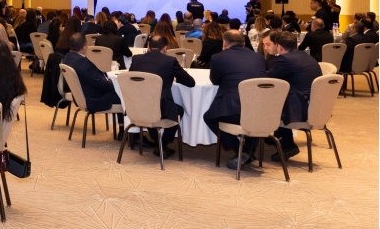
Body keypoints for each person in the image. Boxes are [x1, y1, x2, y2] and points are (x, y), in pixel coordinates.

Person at [202, 30, 267, 170]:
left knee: (209, 117)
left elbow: (215, 81)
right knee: (255, 121)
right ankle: (247, 150)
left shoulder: (218, 57)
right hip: (260, 108)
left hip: (233, 109)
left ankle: (239, 150)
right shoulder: (259, 57)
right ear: (243, 43)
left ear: (224, 43)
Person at [128, 35, 195, 156]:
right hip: (160, 108)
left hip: (138, 106)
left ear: (148, 47)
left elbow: (130, 78)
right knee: (178, 110)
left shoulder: (136, 59)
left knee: (150, 113)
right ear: (165, 48)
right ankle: (163, 144)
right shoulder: (170, 61)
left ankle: (157, 140)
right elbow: (190, 82)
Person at [265, 30, 321, 161]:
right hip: (315, 105)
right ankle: (279, 137)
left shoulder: (285, 59)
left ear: (279, 47)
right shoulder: (306, 56)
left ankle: (287, 144)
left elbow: (266, 78)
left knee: (270, 102)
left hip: (300, 108)